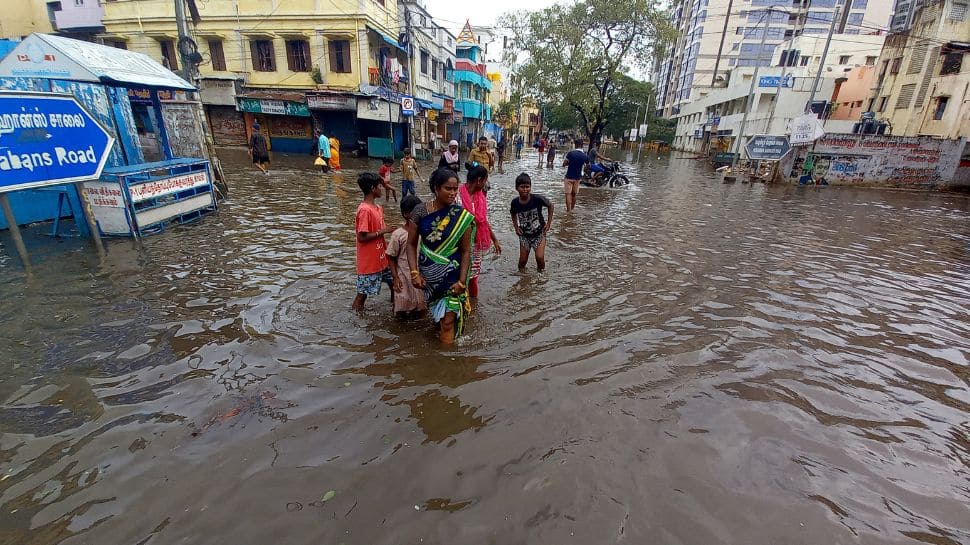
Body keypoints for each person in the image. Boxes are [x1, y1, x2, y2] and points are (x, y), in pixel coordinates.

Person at [406, 168, 476, 344]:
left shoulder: (462, 217)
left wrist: (462, 281)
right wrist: (414, 272)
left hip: (453, 276)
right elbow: (411, 243)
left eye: (455, 189)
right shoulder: (420, 212)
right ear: (436, 188)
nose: (453, 193)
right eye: (448, 188)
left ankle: (447, 364)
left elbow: (466, 251)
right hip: (428, 277)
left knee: (447, 322)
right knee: (439, 317)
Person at [352, 173, 395, 311]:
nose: (381, 189)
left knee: (395, 283)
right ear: (372, 188)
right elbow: (362, 237)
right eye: (379, 187)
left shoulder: (377, 208)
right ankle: (355, 318)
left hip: (382, 258)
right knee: (362, 295)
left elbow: (381, 227)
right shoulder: (365, 210)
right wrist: (384, 231)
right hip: (370, 262)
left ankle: (397, 310)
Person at [460, 165, 502, 299]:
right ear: (479, 180)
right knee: (460, 275)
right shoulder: (457, 196)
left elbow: (483, 221)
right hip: (459, 243)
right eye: (485, 180)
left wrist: (494, 239)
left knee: (473, 277)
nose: (486, 183)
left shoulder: (480, 197)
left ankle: (473, 304)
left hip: (476, 243)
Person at [385, 195, 428, 318]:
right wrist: (395, 278)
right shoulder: (398, 235)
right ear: (406, 214)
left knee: (421, 308)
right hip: (402, 276)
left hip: (420, 275)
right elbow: (391, 257)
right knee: (401, 309)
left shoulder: (424, 233)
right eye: (416, 212)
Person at [510, 173, 553, 271]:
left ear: (530, 187)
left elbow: (551, 205)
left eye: (527, 187)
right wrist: (516, 227)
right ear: (517, 188)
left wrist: (549, 223)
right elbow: (513, 213)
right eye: (522, 187)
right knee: (522, 261)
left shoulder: (537, 199)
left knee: (539, 258)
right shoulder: (515, 202)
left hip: (539, 234)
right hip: (525, 235)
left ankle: (540, 276)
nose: (525, 189)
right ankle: (522, 279)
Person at [562, 140, 588, 212]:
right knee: (574, 194)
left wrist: (568, 164)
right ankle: (572, 209)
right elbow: (588, 166)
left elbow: (564, 164)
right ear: (582, 145)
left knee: (568, 194)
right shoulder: (584, 156)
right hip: (577, 178)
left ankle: (568, 211)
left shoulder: (570, 154)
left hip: (569, 176)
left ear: (575, 145)